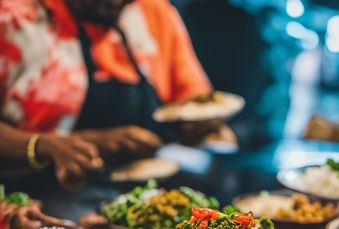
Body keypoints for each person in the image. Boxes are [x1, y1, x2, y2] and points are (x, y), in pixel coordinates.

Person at [0, 0, 214, 190]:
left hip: (151, 179)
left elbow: (194, 97)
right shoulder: (13, 19)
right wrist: (46, 145)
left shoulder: (153, 10)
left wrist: (200, 124)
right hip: (49, 187)